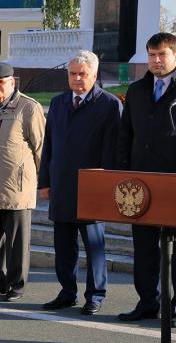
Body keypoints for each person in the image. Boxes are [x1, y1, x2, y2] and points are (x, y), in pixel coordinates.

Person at [115, 32, 176, 328]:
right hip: (141, 182)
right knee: (144, 245)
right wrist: (123, 173)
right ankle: (148, 302)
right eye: (152, 55)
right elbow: (126, 134)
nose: (157, 61)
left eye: (162, 55)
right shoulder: (137, 90)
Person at [38, 51, 121, 315]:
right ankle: (67, 291)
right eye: (72, 74)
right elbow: (48, 146)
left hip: (93, 188)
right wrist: (45, 182)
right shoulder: (59, 102)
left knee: (94, 246)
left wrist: (108, 186)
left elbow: (114, 150)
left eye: (82, 74)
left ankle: (95, 295)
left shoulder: (108, 104)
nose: (76, 79)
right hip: (62, 185)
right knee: (63, 245)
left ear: (94, 75)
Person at [0, 62, 45, 302]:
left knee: (16, 240)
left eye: (0, 83)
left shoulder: (28, 108)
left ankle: (17, 284)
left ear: (12, 82)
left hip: (16, 186)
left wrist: (43, 181)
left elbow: (40, 148)